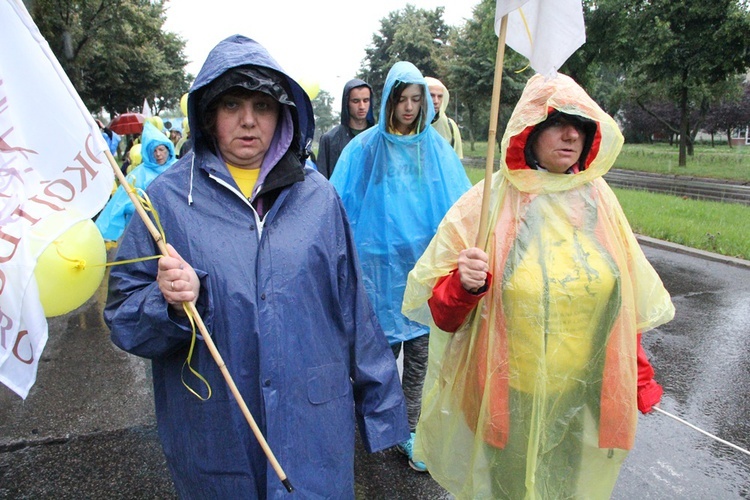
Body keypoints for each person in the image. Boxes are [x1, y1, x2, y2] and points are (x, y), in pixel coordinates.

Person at [103, 35, 409, 498]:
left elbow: (354, 308)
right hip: (216, 431)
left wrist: (381, 410)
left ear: (282, 115)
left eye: (262, 105)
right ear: (209, 115)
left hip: (312, 424)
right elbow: (125, 317)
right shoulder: (166, 201)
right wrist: (163, 301)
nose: (248, 120)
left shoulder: (317, 197)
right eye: (231, 104)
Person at [402, 73, 676, 498]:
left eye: (582, 125)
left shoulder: (598, 200)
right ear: (529, 130)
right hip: (509, 398)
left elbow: (621, 306)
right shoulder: (488, 202)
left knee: (563, 488)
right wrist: (465, 284)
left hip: (577, 396)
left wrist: (638, 378)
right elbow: (443, 314)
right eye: (557, 122)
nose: (571, 134)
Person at [330, 61, 471, 473]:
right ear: (389, 101)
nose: (409, 108)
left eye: (416, 99)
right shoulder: (365, 148)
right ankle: (371, 420)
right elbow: (339, 204)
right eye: (401, 99)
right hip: (378, 275)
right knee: (377, 360)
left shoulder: (436, 150)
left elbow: (460, 207)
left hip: (423, 272)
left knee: (422, 359)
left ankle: (408, 429)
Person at [95, 121, 175, 241]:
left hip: (176, 225)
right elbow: (120, 202)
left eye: (161, 149)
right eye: (154, 150)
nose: (158, 154)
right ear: (147, 153)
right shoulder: (138, 174)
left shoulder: (179, 167)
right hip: (148, 230)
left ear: (168, 149)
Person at [316, 78, 375, 178]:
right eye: (356, 101)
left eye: (366, 100)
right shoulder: (329, 140)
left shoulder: (377, 137)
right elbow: (322, 181)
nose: (362, 106)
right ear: (346, 103)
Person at [425, 77, 463, 159]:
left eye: (439, 96)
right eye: (431, 95)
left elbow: (456, 162)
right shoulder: (408, 124)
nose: (436, 101)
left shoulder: (450, 126)